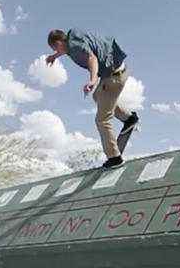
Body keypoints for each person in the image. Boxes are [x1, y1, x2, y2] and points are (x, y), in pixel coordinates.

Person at [46, 28, 138, 169]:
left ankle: (115, 158)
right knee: (97, 96)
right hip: (117, 71)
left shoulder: (75, 48)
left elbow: (92, 58)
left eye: (56, 49)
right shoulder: (73, 36)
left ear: (58, 43)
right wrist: (55, 56)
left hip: (114, 78)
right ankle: (129, 118)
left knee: (102, 120)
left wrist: (92, 80)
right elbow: (69, 49)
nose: (58, 52)